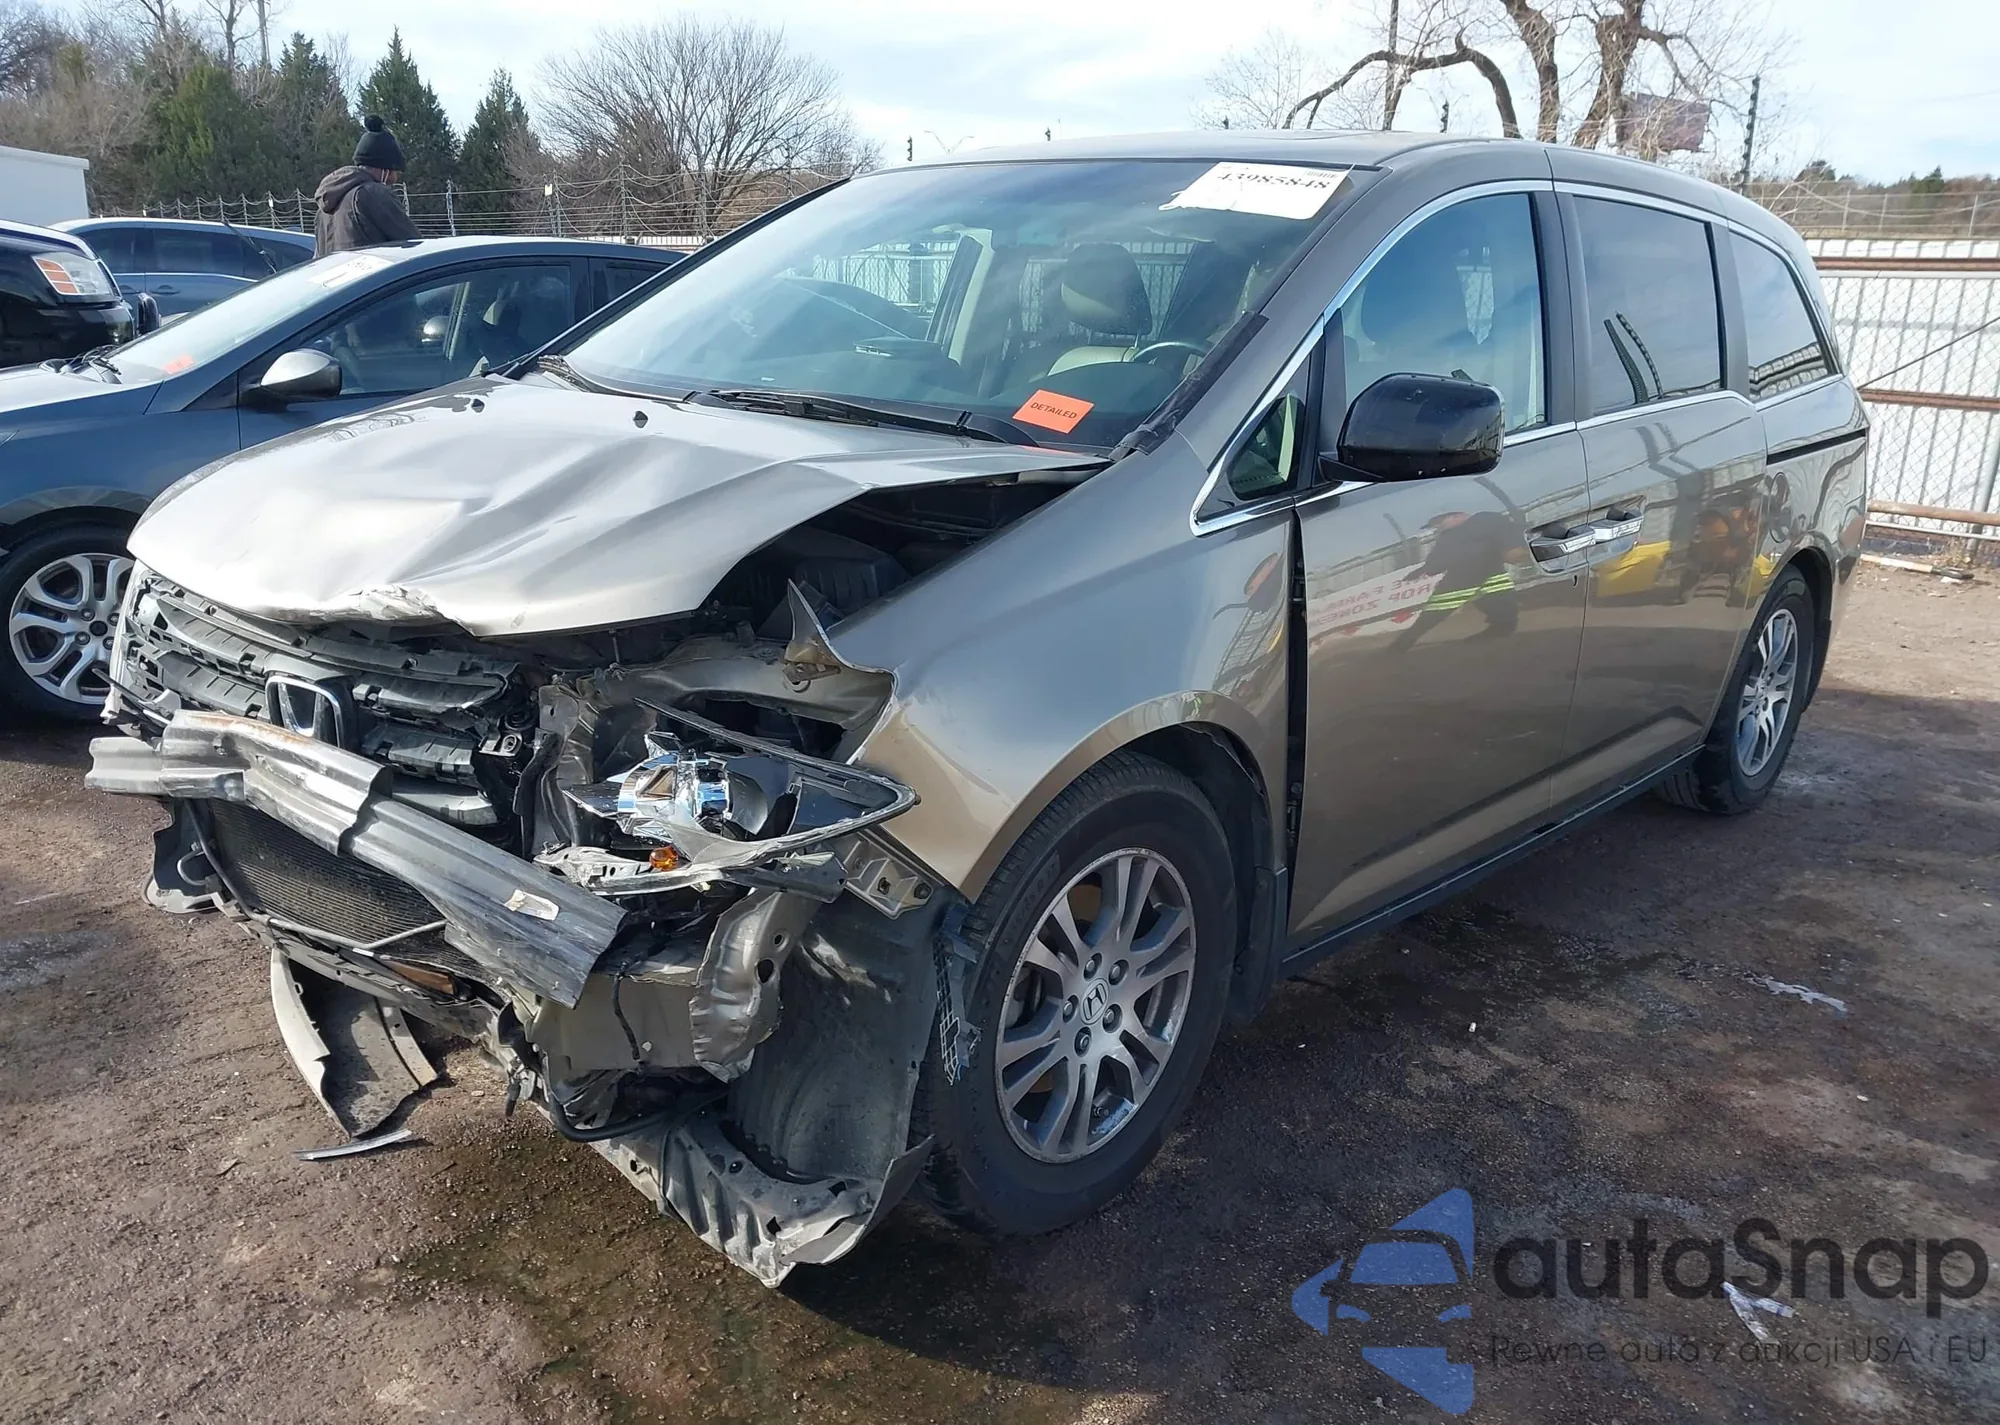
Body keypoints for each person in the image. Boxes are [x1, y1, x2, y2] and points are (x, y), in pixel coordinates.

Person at [314, 115, 421, 256]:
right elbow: (413, 244)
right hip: (376, 270)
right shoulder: (373, 194)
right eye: (396, 172)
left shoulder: (326, 206)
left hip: (338, 271)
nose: (395, 179)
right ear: (385, 170)